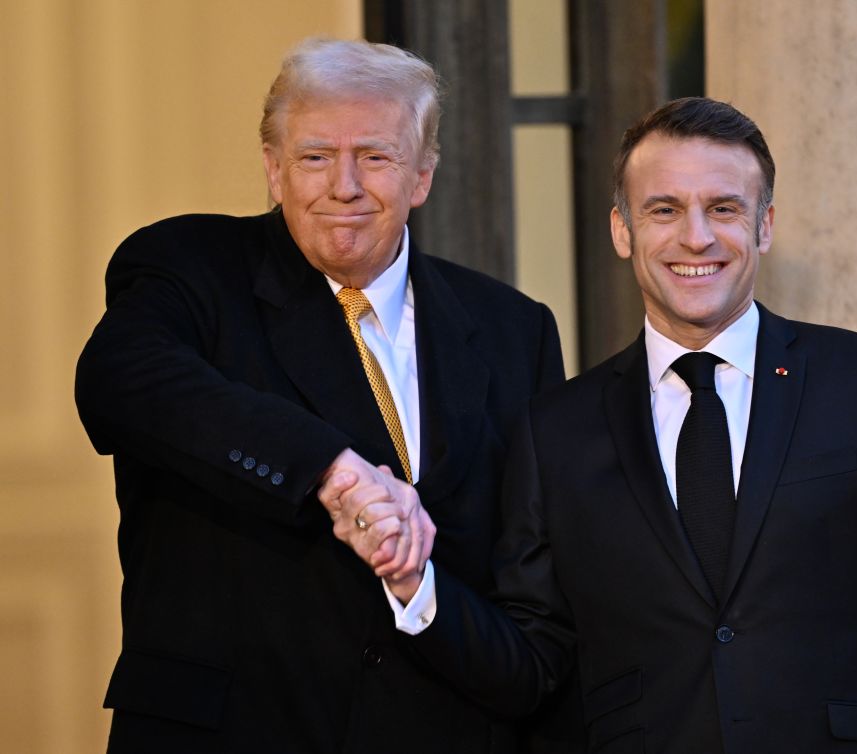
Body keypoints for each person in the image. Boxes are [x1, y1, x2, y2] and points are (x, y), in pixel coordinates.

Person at [329, 97, 857, 752]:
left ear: (765, 225)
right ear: (622, 231)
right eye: (664, 209)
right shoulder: (555, 432)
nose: (697, 236)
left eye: (724, 207)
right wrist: (418, 586)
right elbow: (535, 662)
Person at [75, 37, 568, 753]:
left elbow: (527, 591)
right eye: (314, 157)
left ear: (422, 176)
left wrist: (420, 591)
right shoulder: (190, 267)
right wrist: (335, 473)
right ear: (274, 170)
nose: (344, 185)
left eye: (375, 156)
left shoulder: (513, 330)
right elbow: (119, 380)